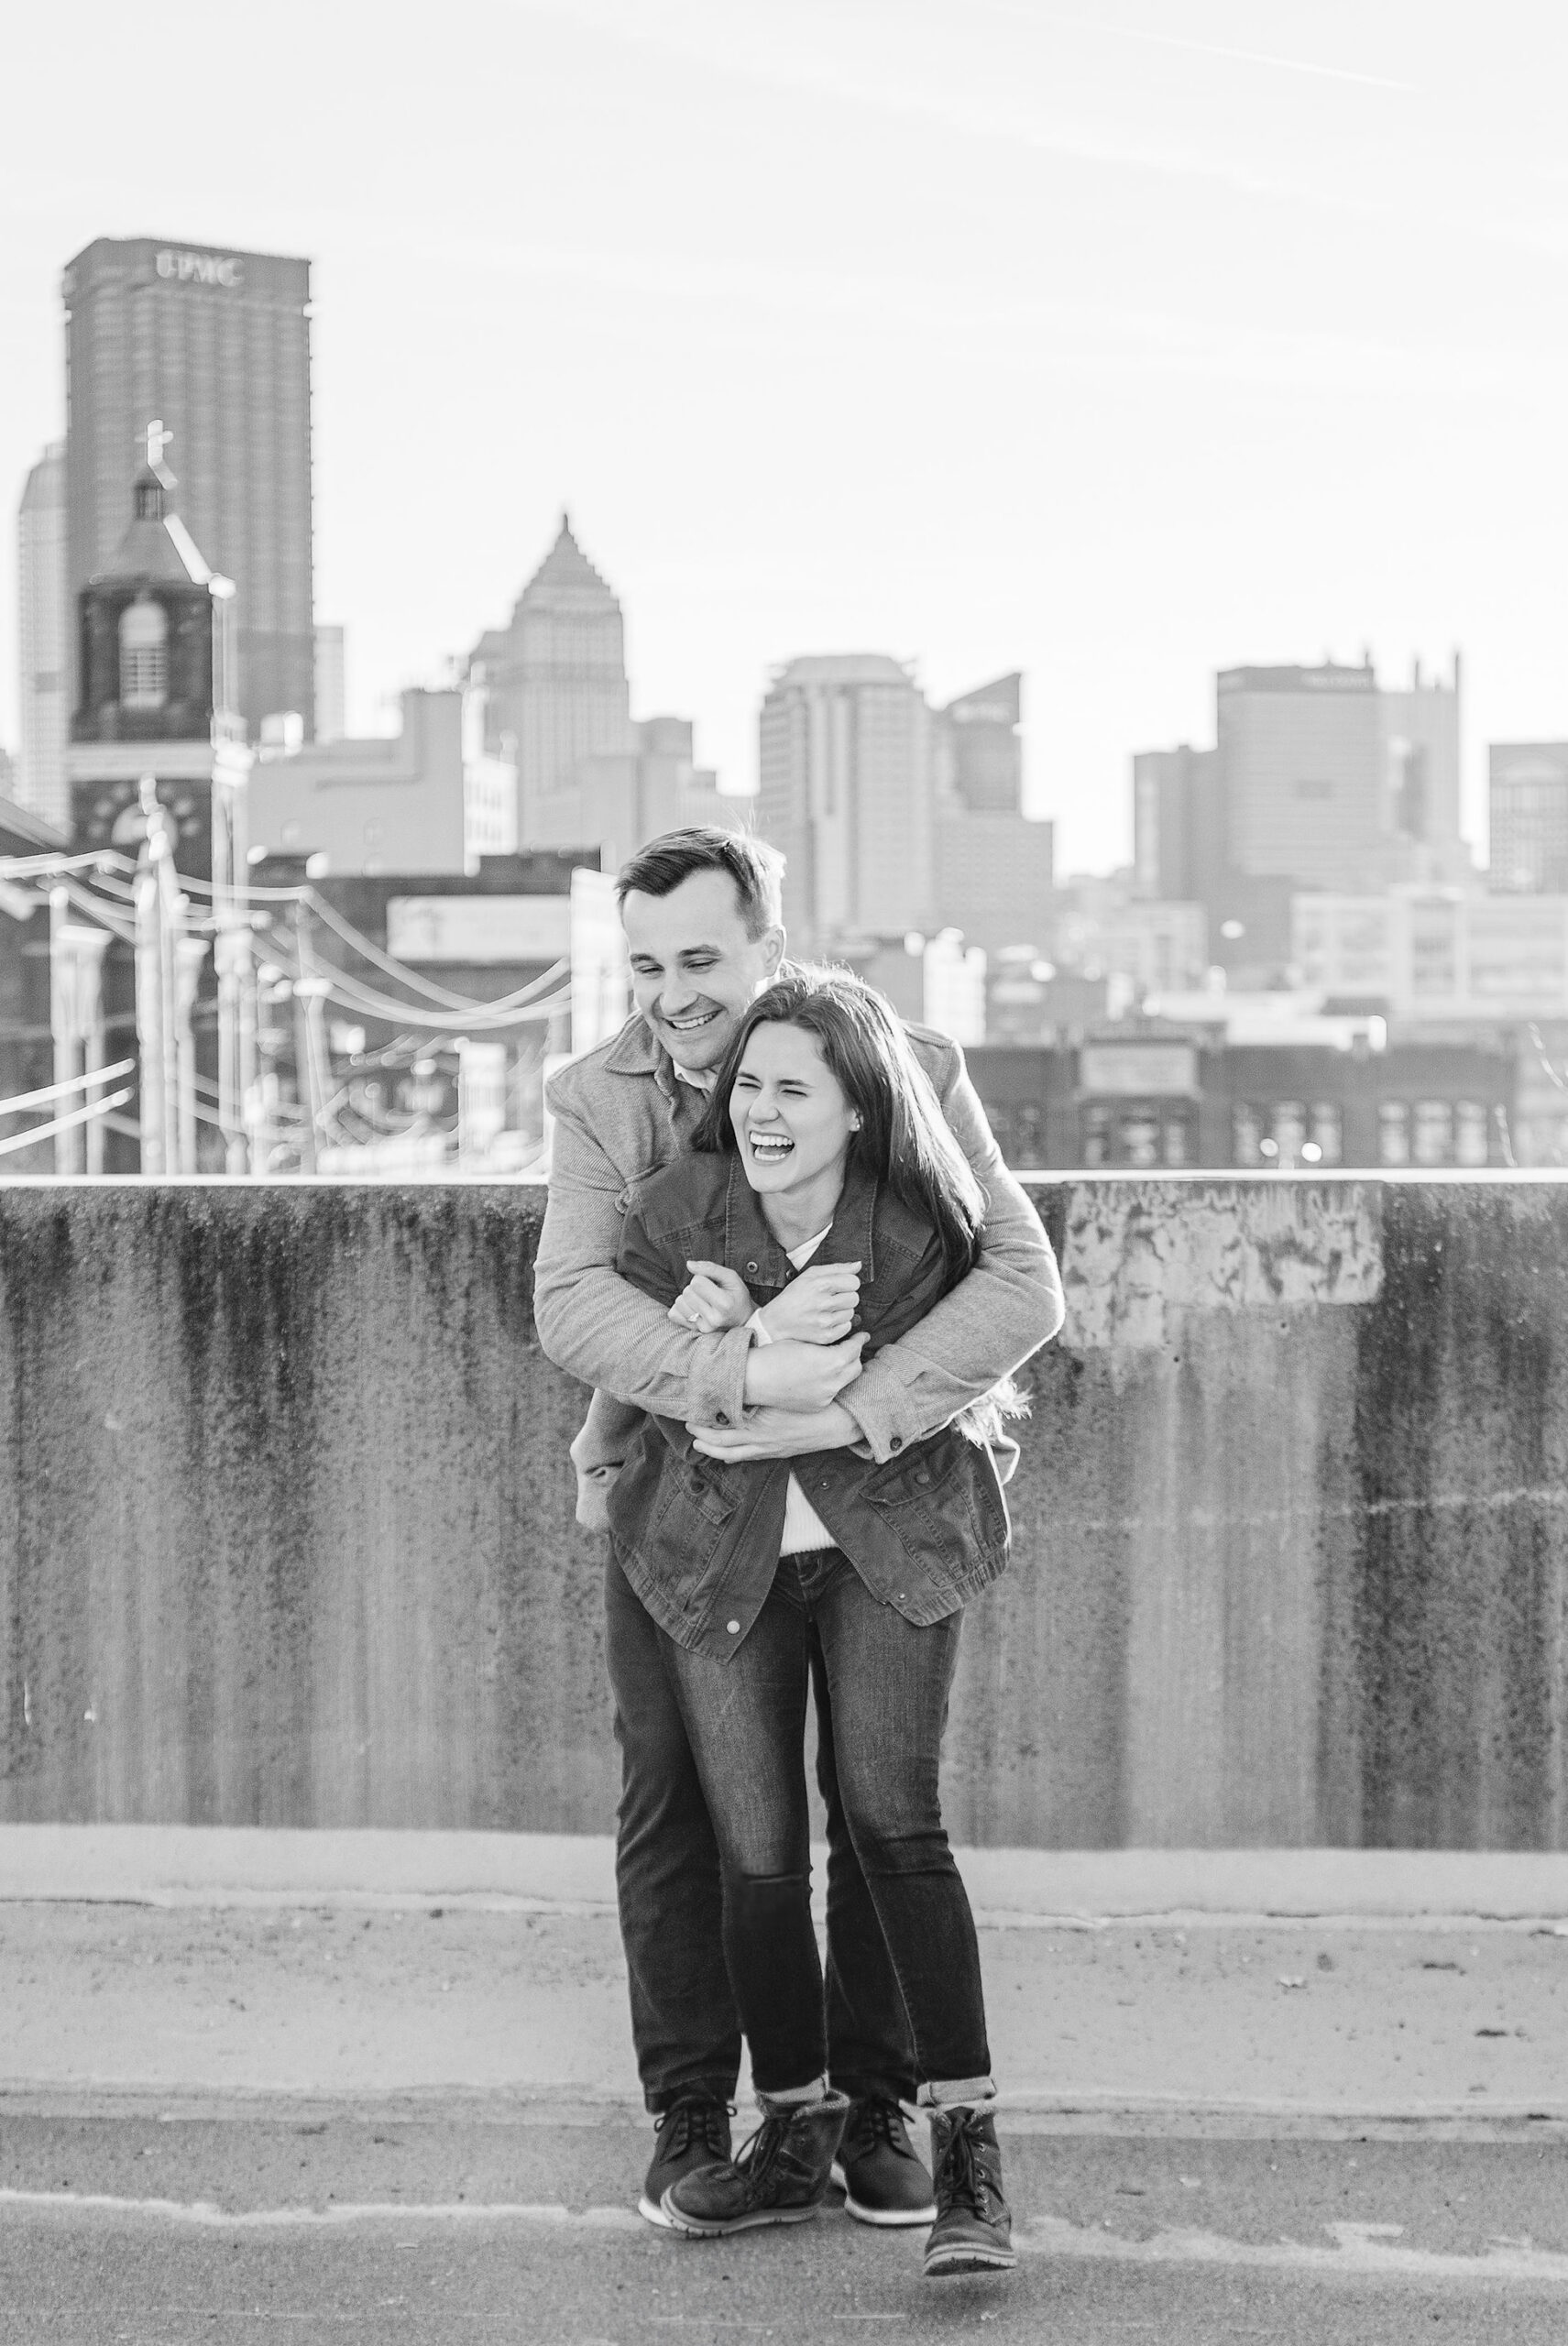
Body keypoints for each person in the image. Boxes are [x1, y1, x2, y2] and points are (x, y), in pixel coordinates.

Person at [532, 828, 1063, 2231]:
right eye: (647, 965)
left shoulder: (905, 1062)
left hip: (873, 1499)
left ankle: (878, 2106)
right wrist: (753, 1371)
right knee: (686, 1811)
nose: (673, 995)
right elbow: (576, 1304)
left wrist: (848, 1409)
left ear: (771, 948)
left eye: (703, 960)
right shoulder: (599, 1097)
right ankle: (703, 2111)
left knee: (880, 1813)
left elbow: (1017, 1278)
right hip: (692, 1504)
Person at [607, 967, 1026, 2275]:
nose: (764, 1112)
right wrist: (747, 1333)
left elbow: (906, 1370)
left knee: (894, 1823)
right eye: (751, 1086)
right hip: (717, 1557)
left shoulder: (920, 1228)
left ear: (860, 1109)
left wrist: (785, 1369)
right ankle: (793, 2128)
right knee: (756, 1854)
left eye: (797, 1090)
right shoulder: (673, 1211)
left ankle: (968, 2157)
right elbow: (643, 1369)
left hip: (883, 1548)